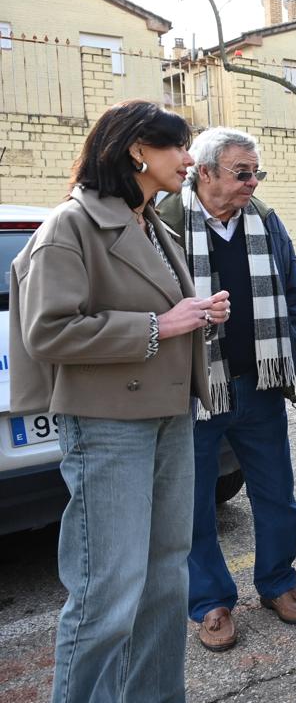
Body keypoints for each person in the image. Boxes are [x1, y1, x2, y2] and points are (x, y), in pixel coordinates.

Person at [8, 99, 229, 702]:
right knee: (107, 592)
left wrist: (196, 317)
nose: (189, 159)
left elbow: (158, 314)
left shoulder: (154, 224)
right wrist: (163, 325)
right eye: (178, 147)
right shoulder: (70, 225)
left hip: (168, 417)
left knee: (164, 583)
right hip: (108, 425)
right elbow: (48, 331)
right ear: (137, 150)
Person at [157, 127, 296, 652]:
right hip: (194, 393)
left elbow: (293, 294)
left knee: (276, 496)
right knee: (194, 506)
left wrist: (287, 354)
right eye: (242, 172)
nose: (252, 182)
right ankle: (210, 604)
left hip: (259, 386)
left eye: (256, 172)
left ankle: (278, 585)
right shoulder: (165, 224)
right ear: (204, 172)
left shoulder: (265, 220)